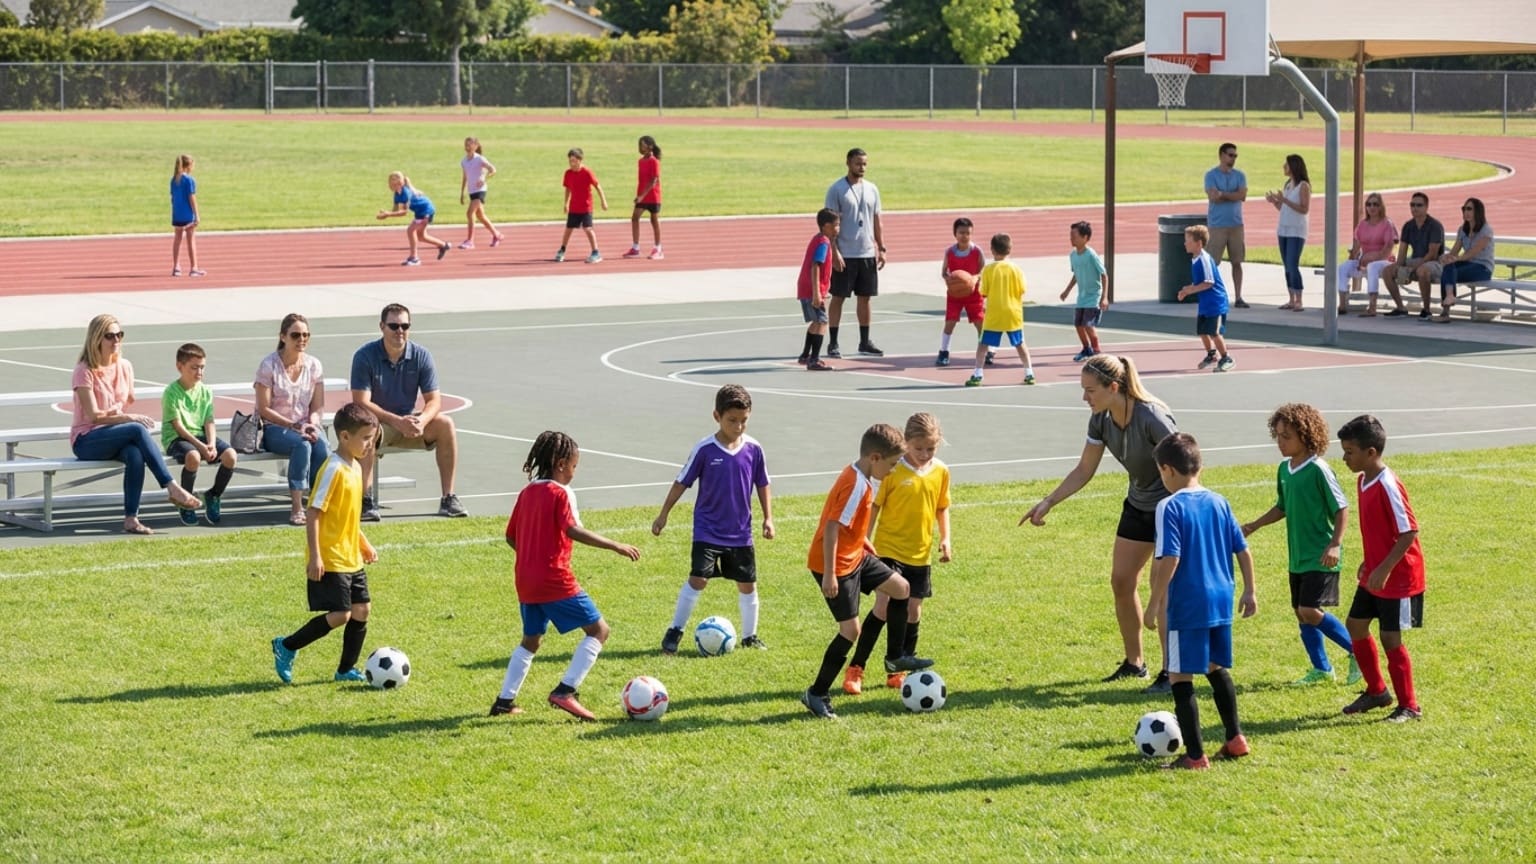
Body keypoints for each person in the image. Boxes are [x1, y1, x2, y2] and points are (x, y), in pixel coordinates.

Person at [1020, 354, 1178, 694]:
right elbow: (1084, 469)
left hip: (1169, 510)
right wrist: (1048, 502)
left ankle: (1171, 672)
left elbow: (1187, 464)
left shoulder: (1152, 417)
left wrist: (1188, 511)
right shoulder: (1100, 419)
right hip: (1138, 505)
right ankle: (1135, 663)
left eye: (1090, 390)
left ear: (1114, 387)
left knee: (1162, 589)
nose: (1084, 397)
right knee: (1121, 581)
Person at [491, 431, 641, 720]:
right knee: (599, 631)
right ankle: (565, 691)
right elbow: (572, 529)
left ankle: (503, 702)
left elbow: (511, 536)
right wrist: (615, 545)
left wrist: (531, 556)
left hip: (525, 580)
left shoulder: (527, 492)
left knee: (531, 640)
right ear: (561, 464)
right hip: (554, 578)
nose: (574, 472)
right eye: (574, 466)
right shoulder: (561, 493)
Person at [801, 424, 934, 720]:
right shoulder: (856, 485)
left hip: (856, 554)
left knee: (901, 588)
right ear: (875, 457)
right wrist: (830, 574)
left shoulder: (862, 476)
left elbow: (850, 524)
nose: (893, 470)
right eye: (891, 464)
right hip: (834, 564)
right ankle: (817, 693)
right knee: (851, 631)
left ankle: (895, 657)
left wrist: (864, 541)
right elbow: (832, 527)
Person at [1144, 432, 1257, 770]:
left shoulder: (1169, 506)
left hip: (1189, 602)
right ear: (1199, 466)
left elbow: (1171, 557)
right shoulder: (1219, 501)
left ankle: (1194, 756)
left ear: (1167, 470)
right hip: (1221, 599)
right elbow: (1243, 549)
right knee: (1214, 666)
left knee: (1179, 675)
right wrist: (1250, 590)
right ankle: (1235, 738)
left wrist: (1154, 602)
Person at [1239, 403, 1356, 685]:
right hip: (1298, 557)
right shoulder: (1284, 469)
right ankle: (1322, 670)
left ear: (1306, 436)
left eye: (1287, 436)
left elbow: (1341, 508)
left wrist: (1335, 544)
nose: (1280, 442)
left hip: (1321, 555)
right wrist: (1254, 525)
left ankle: (1359, 652)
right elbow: (1282, 506)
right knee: (1301, 613)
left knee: (1309, 611)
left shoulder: (1318, 469)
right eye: (1278, 436)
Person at [652, 384, 774, 654]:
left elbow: (762, 483)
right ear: (717, 416)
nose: (738, 426)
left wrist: (768, 518)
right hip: (707, 530)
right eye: (732, 420)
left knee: (748, 584)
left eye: (744, 420)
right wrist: (663, 515)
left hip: (740, 532)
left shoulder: (754, 449)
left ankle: (750, 636)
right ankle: (675, 630)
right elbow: (681, 482)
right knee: (698, 578)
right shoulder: (705, 449)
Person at [270, 403, 380, 685]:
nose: (370, 444)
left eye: (372, 439)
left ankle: (345, 670)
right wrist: (315, 556)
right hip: (330, 556)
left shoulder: (356, 468)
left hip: (351, 556)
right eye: (366, 438)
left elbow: (347, 516)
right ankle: (287, 645)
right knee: (341, 614)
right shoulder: (333, 469)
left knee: (362, 610)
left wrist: (363, 543)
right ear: (344, 436)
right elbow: (314, 513)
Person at [843, 412, 951, 695]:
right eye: (918, 448)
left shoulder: (941, 471)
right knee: (883, 606)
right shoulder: (893, 471)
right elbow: (875, 506)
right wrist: (865, 539)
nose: (924, 454)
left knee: (913, 611)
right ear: (906, 442)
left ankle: (899, 667)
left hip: (920, 554)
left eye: (930, 449)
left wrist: (946, 538)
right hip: (888, 550)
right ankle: (856, 668)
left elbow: (942, 507)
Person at [70, 314, 201, 535]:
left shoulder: (125, 367)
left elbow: (126, 399)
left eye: (119, 335)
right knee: (136, 428)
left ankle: (131, 518)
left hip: (113, 434)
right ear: (96, 338)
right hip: (87, 439)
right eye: (109, 336)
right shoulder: (84, 371)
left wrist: (120, 415)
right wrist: (126, 418)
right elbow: (94, 417)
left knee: (135, 454)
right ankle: (171, 486)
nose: (116, 340)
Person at [1336, 415, 1425, 722]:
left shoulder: (1388, 484)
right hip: (1376, 571)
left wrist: (1385, 568)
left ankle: (1409, 706)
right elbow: (1379, 530)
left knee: (1390, 638)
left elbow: (1409, 532)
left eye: (1350, 452)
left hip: (1399, 577)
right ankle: (1377, 691)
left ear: (1371, 452)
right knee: (1355, 625)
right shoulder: (1363, 480)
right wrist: (1370, 560)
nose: (1345, 458)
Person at [350, 303, 466, 521]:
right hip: (378, 424)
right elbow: (361, 402)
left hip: (409, 424)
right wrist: (397, 421)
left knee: (445, 424)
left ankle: (448, 498)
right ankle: (365, 501)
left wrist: (421, 421)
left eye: (405, 326)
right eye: (394, 326)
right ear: (382, 327)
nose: (400, 331)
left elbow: (434, 400)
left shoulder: (421, 355)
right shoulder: (365, 356)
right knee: (367, 430)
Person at [255, 313, 330, 526]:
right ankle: (296, 506)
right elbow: (264, 409)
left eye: (306, 335)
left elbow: (318, 406)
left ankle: (317, 502)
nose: (301, 339)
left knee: (322, 446)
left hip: (304, 425)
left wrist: (313, 424)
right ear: (283, 337)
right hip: (274, 428)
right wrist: (294, 426)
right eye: (296, 335)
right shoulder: (269, 365)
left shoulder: (314, 365)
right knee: (302, 445)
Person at [161, 343, 237, 526]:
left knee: (230, 456)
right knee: (193, 456)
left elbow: (209, 421)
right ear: (180, 366)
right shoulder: (171, 392)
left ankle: (214, 495)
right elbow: (178, 426)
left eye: (202, 367)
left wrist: (211, 444)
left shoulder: (205, 391)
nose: (199, 372)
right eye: (194, 367)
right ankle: (185, 501)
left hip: (200, 436)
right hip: (177, 438)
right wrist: (201, 447)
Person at [823, 147, 886, 358]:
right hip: (845, 254)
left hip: (866, 253)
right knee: (838, 297)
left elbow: (877, 220)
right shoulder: (837, 190)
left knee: (865, 298)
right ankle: (833, 342)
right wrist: (834, 251)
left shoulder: (872, 189)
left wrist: (881, 248)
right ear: (848, 163)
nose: (862, 167)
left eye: (865, 164)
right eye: (858, 163)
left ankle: (865, 341)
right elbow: (830, 225)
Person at [965, 233, 1034, 386]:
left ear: (992, 249)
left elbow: (983, 292)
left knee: (983, 345)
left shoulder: (988, 269)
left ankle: (978, 374)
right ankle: (1029, 373)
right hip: (1013, 313)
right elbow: (1022, 290)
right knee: (1020, 343)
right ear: (1010, 249)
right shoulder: (1017, 269)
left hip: (995, 313)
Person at [1176, 225, 1235, 372]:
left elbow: (1209, 282)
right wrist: (1186, 290)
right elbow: (1199, 282)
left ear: (1199, 243)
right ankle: (1211, 355)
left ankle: (1226, 357)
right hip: (1205, 303)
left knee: (1214, 332)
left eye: (1188, 240)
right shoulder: (1195, 259)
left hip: (1216, 302)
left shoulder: (1205, 259)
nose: (1185, 243)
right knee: (1202, 331)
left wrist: (1190, 290)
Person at [1433, 197, 1496, 324]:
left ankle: (1446, 310)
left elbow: (1473, 253)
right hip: (1467, 263)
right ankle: (1449, 298)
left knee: (1450, 270)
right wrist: (1446, 257)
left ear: (1477, 211)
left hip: (1482, 268)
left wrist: (1455, 259)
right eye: (1464, 209)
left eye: (1469, 209)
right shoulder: (1462, 229)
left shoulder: (1486, 230)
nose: (1466, 212)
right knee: (1448, 267)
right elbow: (1454, 251)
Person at [1384, 192, 1445, 320]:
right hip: (1415, 260)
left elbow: (1432, 254)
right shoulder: (1408, 226)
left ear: (1426, 207)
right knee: (1387, 271)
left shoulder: (1435, 226)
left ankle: (1426, 310)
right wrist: (1399, 267)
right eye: (1412, 205)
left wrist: (1413, 268)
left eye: (1419, 205)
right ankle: (1400, 308)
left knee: (1422, 271)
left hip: (1435, 263)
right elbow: (1402, 252)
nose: (1415, 208)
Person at [936, 217, 988, 368]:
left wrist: (974, 278)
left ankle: (987, 351)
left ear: (971, 234)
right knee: (950, 323)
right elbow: (944, 271)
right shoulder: (950, 252)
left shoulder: (977, 251)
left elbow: (983, 271)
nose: (964, 236)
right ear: (955, 234)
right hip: (955, 294)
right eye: (961, 233)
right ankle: (944, 351)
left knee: (980, 323)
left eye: (967, 233)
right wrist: (948, 279)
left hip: (974, 293)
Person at [1204, 142, 1249, 308]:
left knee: (1237, 262)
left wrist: (1222, 194)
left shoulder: (1240, 175)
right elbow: (1213, 197)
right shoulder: (1211, 175)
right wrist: (1232, 195)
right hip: (1217, 225)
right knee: (1213, 263)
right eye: (1230, 155)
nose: (1233, 158)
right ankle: (1211, 296)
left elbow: (1242, 195)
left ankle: (1238, 297)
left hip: (1236, 224)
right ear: (1221, 155)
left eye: (1235, 156)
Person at [1337, 193, 1398, 316]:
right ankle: (1342, 304)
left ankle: (1372, 306)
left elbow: (1387, 251)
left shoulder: (1387, 224)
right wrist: (1353, 258)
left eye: (1375, 204)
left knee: (1372, 267)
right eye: (1369, 204)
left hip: (1385, 262)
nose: (1372, 207)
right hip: (1364, 261)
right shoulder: (1362, 225)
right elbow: (1356, 247)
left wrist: (1370, 258)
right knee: (1343, 267)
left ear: (1381, 206)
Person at [1265, 154, 1311, 311]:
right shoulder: (1287, 185)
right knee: (1286, 266)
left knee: (1292, 264)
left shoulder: (1303, 186)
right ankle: (1291, 298)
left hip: (1296, 230)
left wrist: (1285, 200)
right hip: (1283, 229)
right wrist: (1275, 202)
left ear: (1294, 166)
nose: (1284, 167)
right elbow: (1284, 209)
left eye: (1287, 164)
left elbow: (1304, 209)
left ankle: (1299, 299)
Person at [794, 208, 838, 371]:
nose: (838, 228)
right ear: (826, 226)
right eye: (836, 225)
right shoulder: (823, 242)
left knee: (815, 322)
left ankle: (805, 355)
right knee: (822, 322)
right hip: (812, 289)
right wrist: (817, 293)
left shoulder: (818, 239)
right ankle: (814, 359)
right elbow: (815, 266)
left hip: (806, 287)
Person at [376, 171, 450, 266]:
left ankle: (414, 258)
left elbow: (404, 212)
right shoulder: (397, 194)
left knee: (410, 230)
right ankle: (444, 245)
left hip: (426, 210)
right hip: (419, 212)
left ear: (398, 183)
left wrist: (388, 214)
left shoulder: (405, 192)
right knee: (421, 236)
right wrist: (385, 214)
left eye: (392, 182)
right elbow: (395, 210)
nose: (390, 184)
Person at [1060, 220, 1108, 361]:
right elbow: (1076, 274)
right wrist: (1067, 291)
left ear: (1085, 237)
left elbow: (1104, 275)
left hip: (1093, 296)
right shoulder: (1073, 255)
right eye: (1070, 236)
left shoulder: (1091, 255)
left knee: (1088, 325)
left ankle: (1096, 350)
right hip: (1082, 297)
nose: (1071, 238)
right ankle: (1086, 349)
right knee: (1078, 324)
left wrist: (1104, 297)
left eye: (1074, 236)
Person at [557, 147, 607, 264]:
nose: (572, 163)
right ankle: (562, 250)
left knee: (587, 228)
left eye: (574, 161)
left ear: (580, 160)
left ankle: (596, 252)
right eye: (570, 161)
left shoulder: (587, 172)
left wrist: (603, 201)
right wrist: (566, 203)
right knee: (568, 229)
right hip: (574, 207)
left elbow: (597, 186)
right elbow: (568, 189)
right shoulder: (568, 173)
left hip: (586, 207)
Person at [458, 136, 504, 249]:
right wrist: (462, 193)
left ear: (476, 146)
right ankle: (497, 235)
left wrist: (484, 178)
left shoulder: (480, 159)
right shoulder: (464, 161)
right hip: (471, 191)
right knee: (480, 215)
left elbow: (493, 170)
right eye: (466, 144)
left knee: (469, 213)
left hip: (480, 190)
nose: (467, 147)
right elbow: (465, 177)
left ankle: (470, 241)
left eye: (470, 144)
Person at [623, 135, 663, 260]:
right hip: (642, 196)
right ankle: (635, 248)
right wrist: (639, 195)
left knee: (654, 221)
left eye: (643, 144)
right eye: (640, 144)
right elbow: (642, 180)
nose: (641, 147)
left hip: (653, 196)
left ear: (650, 146)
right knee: (635, 218)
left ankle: (658, 249)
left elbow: (653, 180)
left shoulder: (654, 161)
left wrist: (642, 196)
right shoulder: (640, 161)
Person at [169, 153, 204, 277]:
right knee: (190, 240)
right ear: (188, 166)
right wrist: (197, 215)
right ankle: (194, 268)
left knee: (177, 240)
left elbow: (172, 198)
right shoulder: (189, 180)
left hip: (177, 214)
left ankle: (176, 267)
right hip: (188, 214)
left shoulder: (173, 180)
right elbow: (192, 198)